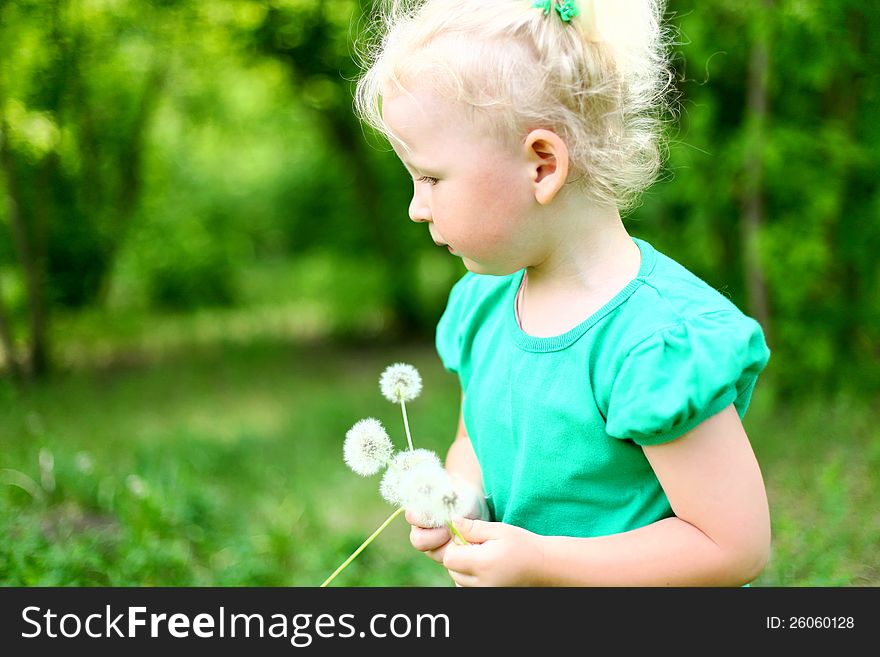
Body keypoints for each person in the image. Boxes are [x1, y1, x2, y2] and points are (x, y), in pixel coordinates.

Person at [354, 0, 772, 586]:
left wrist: (545, 565)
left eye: (430, 178)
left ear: (541, 165)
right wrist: (463, 498)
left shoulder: (653, 344)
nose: (416, 208)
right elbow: (474, 441)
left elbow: (733, 545)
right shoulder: (487, 305)